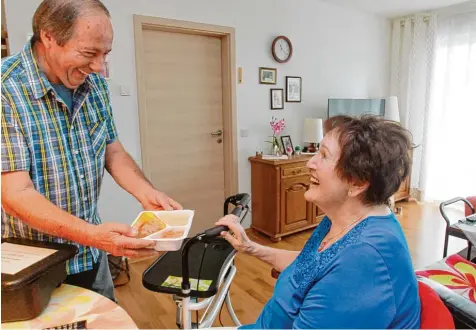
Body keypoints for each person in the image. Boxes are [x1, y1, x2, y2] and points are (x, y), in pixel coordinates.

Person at [1, 0, 181, 302]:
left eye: (105, 54)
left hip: (91, 253)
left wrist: (147, 194)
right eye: (89, 53)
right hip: (34, 266)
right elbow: (15, 193)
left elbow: (113, 151)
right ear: (48, 37)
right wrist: (92, 235)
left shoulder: (94, 84)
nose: (99, 66)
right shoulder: (5, 90)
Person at [217, 115, 421, 328]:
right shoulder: (342, 219)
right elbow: (310, 264)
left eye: (324, 155)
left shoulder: (363, 259)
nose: (310, 162)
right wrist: (250, 247)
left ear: (358, 182)